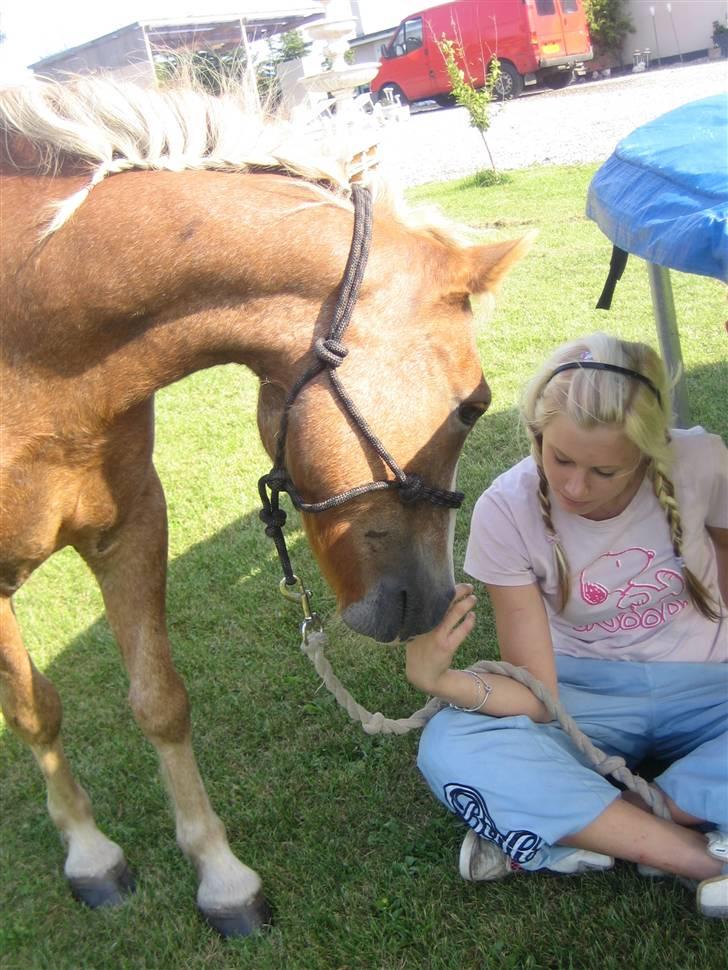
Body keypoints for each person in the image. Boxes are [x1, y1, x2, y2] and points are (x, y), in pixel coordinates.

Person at [406, 332, 728, 918]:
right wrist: (441, 682)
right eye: (560, 460)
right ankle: (697, 856)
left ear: (649, 452)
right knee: (451, 743)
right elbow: (538, 694)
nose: (576, 487)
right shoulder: (506, 509)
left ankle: (591, 820)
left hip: (709, 683)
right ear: (536, 434)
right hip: (584, 694)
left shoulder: (703, 461)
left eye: (606, 471)